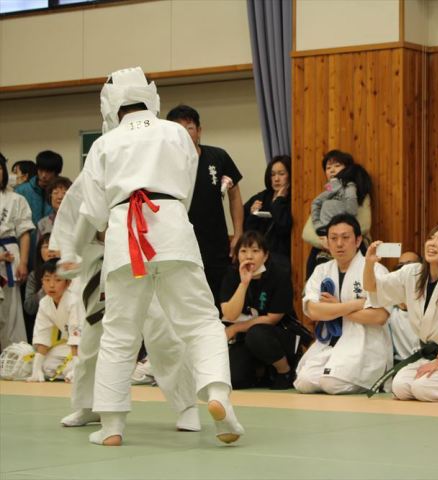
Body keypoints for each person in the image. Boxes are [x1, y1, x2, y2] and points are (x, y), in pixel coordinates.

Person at [60, 67, 242, 446]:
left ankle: (112, 426)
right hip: (173, 227)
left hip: (123, 235)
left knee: (119, 333)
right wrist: (169, 212)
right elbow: (187, 189)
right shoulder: (175, 133)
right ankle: (218, 395)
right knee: (201, 322)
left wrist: (76, 249)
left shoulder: (104, 144)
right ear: (151, 98)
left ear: (111, 105)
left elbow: (92, 211)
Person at [51, 168, 201, 432]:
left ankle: (187, 405)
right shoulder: (97, 164)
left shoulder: (151, 165)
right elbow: (77, 211)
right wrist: (70, 252)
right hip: (101, 258)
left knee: (162, 333)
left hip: (144, 253)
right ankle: (88, 404)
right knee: (93, 339)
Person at [364, 224, 438, 402]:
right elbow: (372, 287)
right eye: (430, 238)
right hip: (428, 355)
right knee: (400, 388)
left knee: (423, 389)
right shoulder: (413, 272)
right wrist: (369, 263)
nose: (432, 243)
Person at [294, 214, 392, 394]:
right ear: (327, 242)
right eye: (333, 238)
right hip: (330, 343)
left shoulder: (376, 270)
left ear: (358, 240)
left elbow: (379, 316)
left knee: (331, 384)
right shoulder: (321, 270)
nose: (339, 244)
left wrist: (333, 308)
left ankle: (371, 381)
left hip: (364, 344)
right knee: (304, 383)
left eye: (345, 237)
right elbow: (313, 311)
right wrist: (355, 304)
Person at [166, 105, 244, 311]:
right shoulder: (165, 163)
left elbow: (234, 195)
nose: (185, 133)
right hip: (180, 244)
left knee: (218, 299)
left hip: (216, 243)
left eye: (189, 128)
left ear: (199, 131)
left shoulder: (218, 157)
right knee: (185, 300)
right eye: (178, 129)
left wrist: (238, 233)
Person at [219, 231, 297, 390]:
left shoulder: (279, 275)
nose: (249, 256)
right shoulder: (232, 275)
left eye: (255, 251)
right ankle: (261, 372)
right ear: (237, 255)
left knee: (257, 334)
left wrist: (235, 328)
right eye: (243, 251)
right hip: (244, 338)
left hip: (278, 334)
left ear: (265, 256)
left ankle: (285, 371)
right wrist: (244, 283)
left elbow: (272, 318)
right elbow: (229, 314)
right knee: (234, 380)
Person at [305, 150, 373, 278]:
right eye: (328, 168)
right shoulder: (326, 196)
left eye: (337, 165)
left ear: (348, 169)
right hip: (322, 245)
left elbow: (363, 226)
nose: (332, 170)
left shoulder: (357, 194)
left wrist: (334, 239)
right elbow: (308, 232)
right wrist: (325, 239)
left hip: (350, 245)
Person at [25, 258, 81, 382]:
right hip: (68, 346)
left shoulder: (74, 301)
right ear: (42, 282)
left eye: (58, 280)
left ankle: (77, 370)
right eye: (47, 279)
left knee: (74, 367)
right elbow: (42, 335)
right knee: (46, 366)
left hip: (87, 345)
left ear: (68, 283)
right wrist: (36, 369)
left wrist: (76, 365)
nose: (51, 285)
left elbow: (76, 335)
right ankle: (71, 370)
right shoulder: (44, 303)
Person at [0, 154, 33, 350]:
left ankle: (13, 355)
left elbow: (25, 233)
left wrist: (23, 263)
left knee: (11, 310)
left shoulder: (16, 199)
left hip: (10, 255)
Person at [243, 156, 292, 262]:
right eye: (273, 174)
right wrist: (253, 214)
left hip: (280, 258)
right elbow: (248, 230)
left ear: (290, 175)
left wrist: (279, 200)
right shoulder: (262, 197)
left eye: (281, 174)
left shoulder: (294, 200)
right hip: (257, 256)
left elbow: (283, 227)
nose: (276, 179)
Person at [387, 252, 422, 362]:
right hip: (400, 363)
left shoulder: (430, 300)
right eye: (400, 266)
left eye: (410, 264)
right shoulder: (390, 305)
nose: (405, 269)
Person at [23, 233, 58, 318]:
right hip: (43, 319)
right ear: (39, 251)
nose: (51, 249)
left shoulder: (69, 272)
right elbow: (29, 308)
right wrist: (44, 290)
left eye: (55, 245)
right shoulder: (34, 275)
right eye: (46, 246)